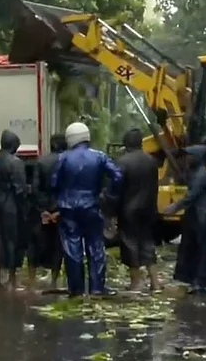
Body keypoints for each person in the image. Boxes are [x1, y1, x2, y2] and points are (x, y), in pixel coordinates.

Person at [51, 122, 123, 297]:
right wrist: (106, 193)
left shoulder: (63, 158)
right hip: (92, 205)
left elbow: (53, 183)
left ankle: (76, 289)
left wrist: (61, 197)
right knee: (96, 246)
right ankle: (97, 287)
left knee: (72, 247)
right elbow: (118, 176)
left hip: (68, 208)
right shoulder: (99, 156)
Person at [165, 145, 206, 294]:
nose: (186, 158)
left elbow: (191, 196)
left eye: (189, 155)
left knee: (204, 250)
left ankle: (202, 282)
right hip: (196, 216)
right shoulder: (194, 172)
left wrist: (174, 207)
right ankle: (194, 277)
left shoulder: (202, 175)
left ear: (197, 157)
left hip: (204, 216)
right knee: (192, 247)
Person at [115, 128, 161, 292]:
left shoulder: (122, 162)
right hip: (148, 209)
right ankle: (155, 283)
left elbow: (116, 190)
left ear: (126, 144)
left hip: (129, 210)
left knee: (130, 245)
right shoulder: (151, 161)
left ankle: (136, 283)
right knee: (148, 243)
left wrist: (111, 212)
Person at [0, 130, 29, 290]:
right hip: (10, 207)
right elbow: (20, 189)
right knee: (11, 242)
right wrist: (24, 208)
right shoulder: (16, 163)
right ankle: (12, 279)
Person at [31, 133, 68, 291]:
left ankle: (31, 283)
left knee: (36, 244)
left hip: (44, 211)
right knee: (58, 246)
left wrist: (43, 211)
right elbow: (69, 189)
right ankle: (54, 281)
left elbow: (35, 189)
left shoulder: (41, 162)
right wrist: (60, 211)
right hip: (61, 210)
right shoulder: (67, 162)